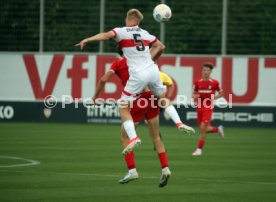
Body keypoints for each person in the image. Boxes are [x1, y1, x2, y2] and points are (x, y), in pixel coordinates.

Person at [76, 9, 182, 155]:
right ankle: (178, 123)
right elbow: (161, 46)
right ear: (138, 21)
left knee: (123, 109)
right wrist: (149, 60)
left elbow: (106, 36)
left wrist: (88, 39)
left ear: (128, 19)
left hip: (137, 84)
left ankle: (134, 141)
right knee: (158, 122)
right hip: (151, 75)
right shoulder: (145, 33)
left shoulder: (121, 32)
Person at [92, 57, 171, 187]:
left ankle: (132, 170)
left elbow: (103, 79)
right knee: (156, 136)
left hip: (137, 99)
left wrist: (95, 97)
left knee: (125, 136)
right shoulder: (142, 60)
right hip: (151, 97)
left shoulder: (118, 64)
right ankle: (165, 168)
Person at [192, 63, 225, 156]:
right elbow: (193, 94)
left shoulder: (215, 83)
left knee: (203, 128)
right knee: (204, 129)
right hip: (199, 107)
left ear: (210, 72)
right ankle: (217, 129)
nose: (205, 72)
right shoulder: (197, 82)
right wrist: (197, 95)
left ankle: (199, 149)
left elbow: (222, 93)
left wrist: (214, 98)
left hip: (208, 107)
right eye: (203, 70)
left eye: (207, 70)